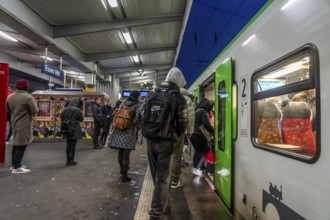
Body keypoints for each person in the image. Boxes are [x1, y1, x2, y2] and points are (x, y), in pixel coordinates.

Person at [145, 67, 188, 220]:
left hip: (150, 140)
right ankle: (156, 214)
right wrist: (174, 137)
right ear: (178, 81)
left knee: (156, 174)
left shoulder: (152, 94)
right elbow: (183, 125)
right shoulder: (178, 98)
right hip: (166, 142)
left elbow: (141, 115)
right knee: (162, 178)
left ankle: (161, 201)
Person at [106, 91, 142, 183]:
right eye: (139, 96)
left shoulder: (123, 103)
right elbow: (138, 118)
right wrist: (135, 124)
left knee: (120, 153)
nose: (140, 98)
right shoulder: (138, 105)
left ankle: (122, 171)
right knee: (126, 155)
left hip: (119, 130)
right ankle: (124, 176)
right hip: (128, 131)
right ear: (137, 97)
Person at [6, 79, 39, 174]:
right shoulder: (28, 97)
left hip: (14, 123)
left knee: (16, 144)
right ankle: (17, 167)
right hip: (24, 124)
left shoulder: (10, 96)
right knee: (22, 145)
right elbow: (35, 110)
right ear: (26, 86)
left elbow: (7, 111)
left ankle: (14, 164)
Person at [170, 87, 195, 189]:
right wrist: (190, 131)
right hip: (178, 131)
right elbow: (190, 116)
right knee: (176, 157)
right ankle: (174, 181)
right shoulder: (185, 98)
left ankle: (163, 179)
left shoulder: (166, 95)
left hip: (163, 132)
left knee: (165, 156)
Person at [190, 98, 214, 176]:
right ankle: (196, 168)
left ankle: (196, 167)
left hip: (193, 135)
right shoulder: (204, 112)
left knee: (198, 152)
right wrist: (214, 132)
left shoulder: (197, 111)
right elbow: (206, 125)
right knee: (203, 152)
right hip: (199, 135)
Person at [61, 98, 84, 166]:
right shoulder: (78, 110)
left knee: (68, 144)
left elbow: (62, 118)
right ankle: (72, 160)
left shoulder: (65, 109)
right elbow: (81, 119)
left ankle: (67, 161)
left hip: (67, 128)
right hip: (75, 129)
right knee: (73, 144)